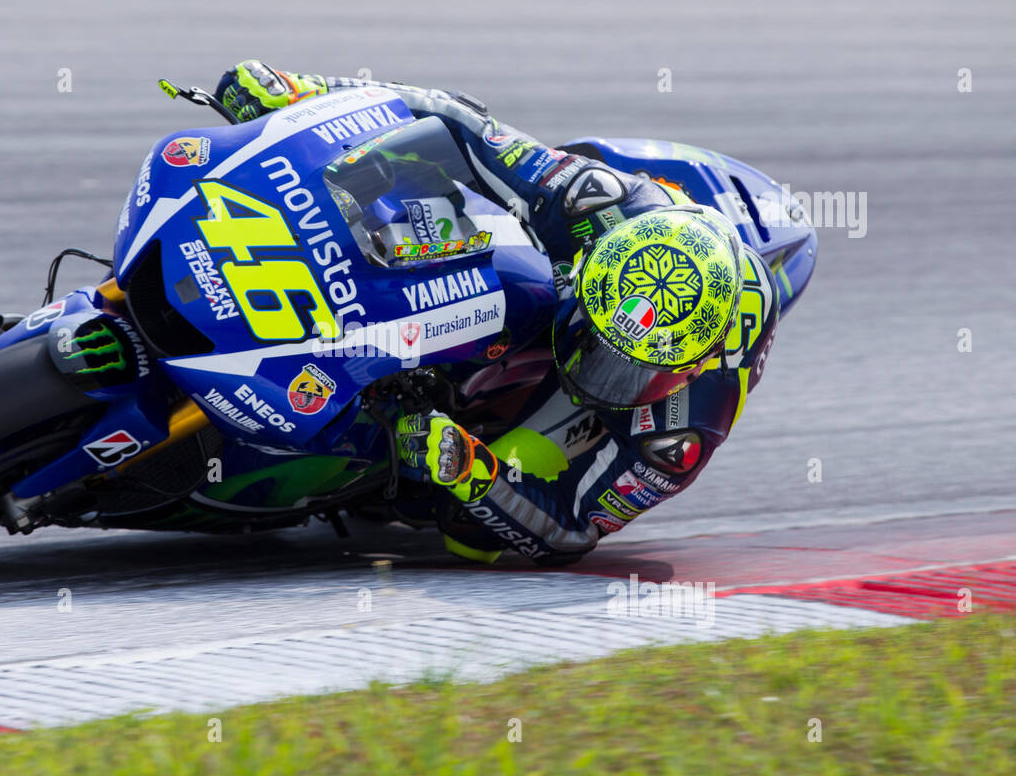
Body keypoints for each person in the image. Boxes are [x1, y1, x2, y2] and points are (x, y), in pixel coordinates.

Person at [215, 60, 779, 565]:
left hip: (620, 383)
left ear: (689, 368)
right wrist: (298, 90)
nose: (597, 373)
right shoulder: (594, 202)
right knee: (415, 174)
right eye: (596, 345)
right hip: (568, 262)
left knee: (469, 534)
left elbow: (570, 528)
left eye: (627, 368)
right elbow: (458, 120)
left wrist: (472, 473)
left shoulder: (681, 431)